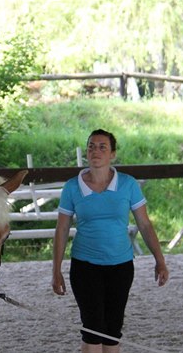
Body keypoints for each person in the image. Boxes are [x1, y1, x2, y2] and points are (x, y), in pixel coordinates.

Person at [51, 129, 169, 353]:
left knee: (113, 331)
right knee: (93, 329)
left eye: (102, 147)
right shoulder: (72, 186)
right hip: (85, 265)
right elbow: (62, 228)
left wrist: (160, 260)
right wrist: (56, 269)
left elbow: (144, 224)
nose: (96, 151)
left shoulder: (128, 184)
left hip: (121, 266)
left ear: (112, 154)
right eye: (91, 146)